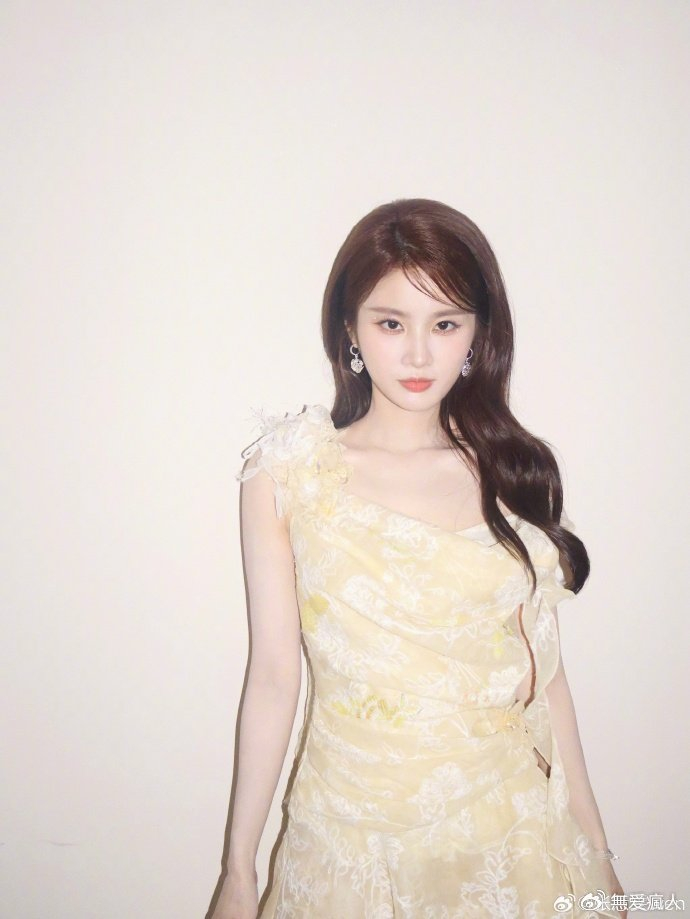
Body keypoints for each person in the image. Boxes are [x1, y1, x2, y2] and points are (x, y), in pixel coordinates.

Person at [211, 199, 626, 918]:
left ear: (477, 334)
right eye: (391, 323)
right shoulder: (289, 475)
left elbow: (547, 683)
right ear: (350, 329)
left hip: (507, 840)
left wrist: (598, 860)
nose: (417, 355)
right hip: (349, 839)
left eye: (444, 324)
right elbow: (274, 677)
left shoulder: (508, 473)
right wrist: (238, 868)